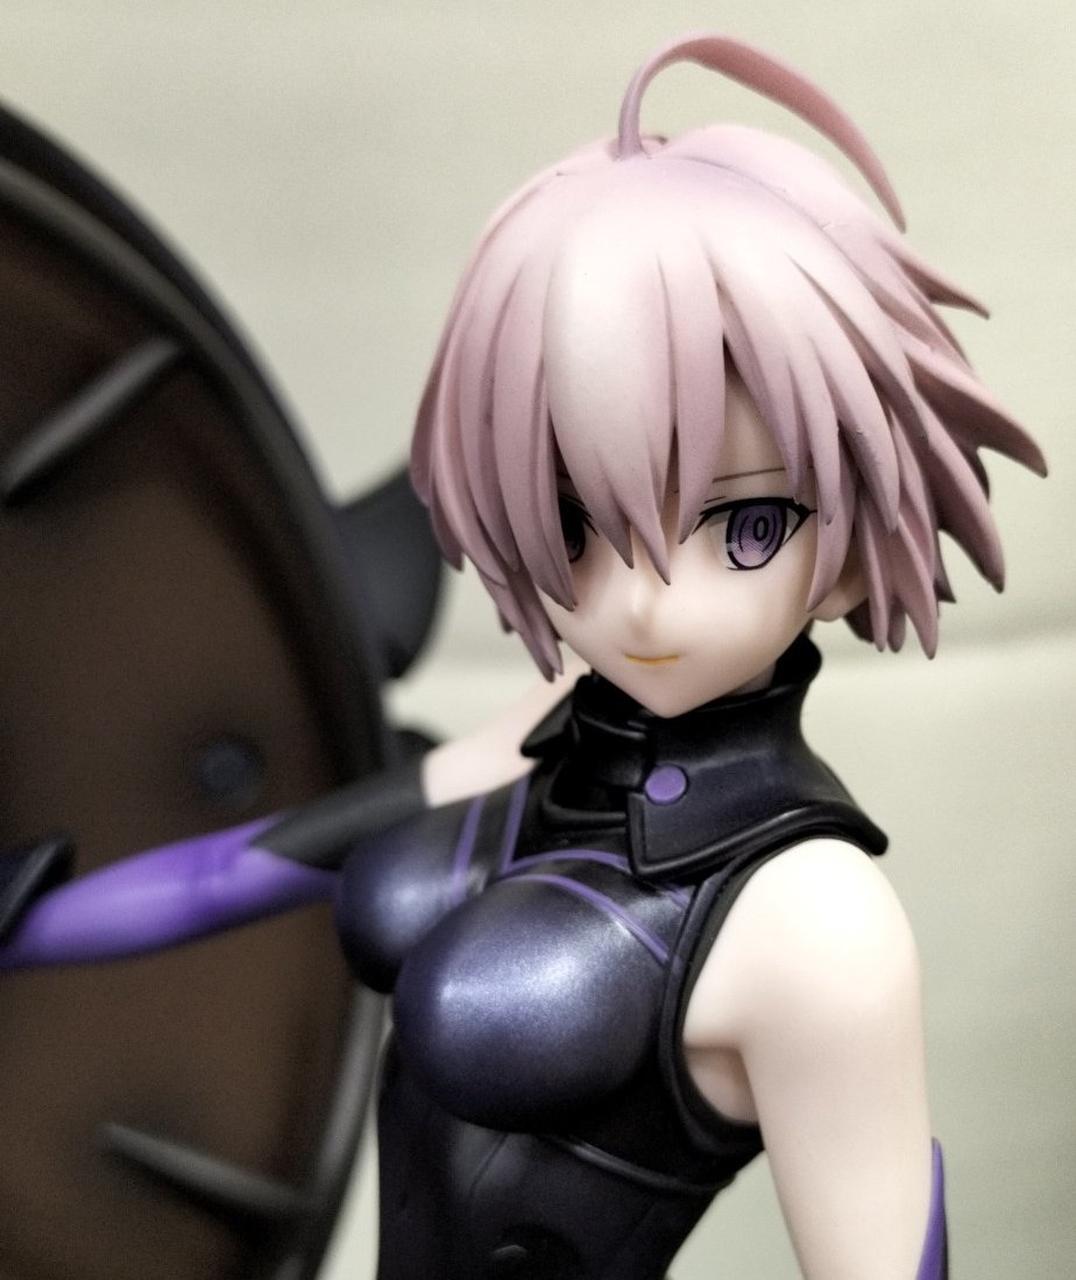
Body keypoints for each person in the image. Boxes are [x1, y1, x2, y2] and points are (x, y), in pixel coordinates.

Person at [0, 33, 1044, 1280]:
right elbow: (240, 868)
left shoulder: (813, 920)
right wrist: (31, 920)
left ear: (851, 545)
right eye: (574, 522)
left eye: (745, 527)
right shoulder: (542, 740)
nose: (645, 605)